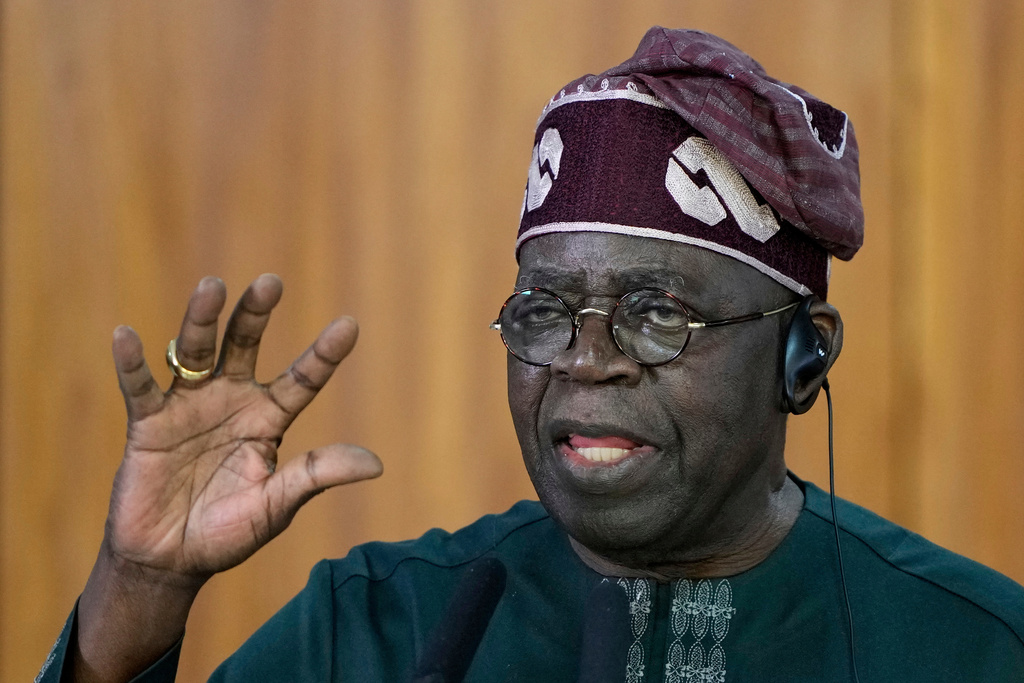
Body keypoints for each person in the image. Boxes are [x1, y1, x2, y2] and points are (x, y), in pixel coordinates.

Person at [38, 27, 1024, 683]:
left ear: (802, 358)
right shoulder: (378, 626)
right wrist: (137, 599)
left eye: (654, 311)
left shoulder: (974, 647)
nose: (584, 360)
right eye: (543, 309)